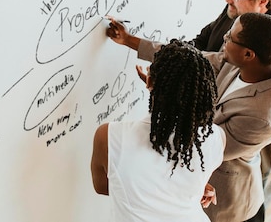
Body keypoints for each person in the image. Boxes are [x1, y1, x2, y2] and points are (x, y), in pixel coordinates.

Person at [106, 12, 271, 222]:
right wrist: (129, 40)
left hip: (227, 203)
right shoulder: (235, 61)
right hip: (195, 186)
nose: (224, 39)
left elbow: (200, 144)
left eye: (230, 38)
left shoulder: (263, 118)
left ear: (248, 54)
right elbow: (186, 60)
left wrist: (161, 92)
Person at [90, 39, 227, 222]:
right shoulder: (216, 137)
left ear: (149, 82)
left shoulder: (109, 136)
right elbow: (182, 177)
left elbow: (103, 186)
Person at [191, 0, 271, 188]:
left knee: (247, 190)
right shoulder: (234, 12)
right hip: (217, 131)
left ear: (262, 2)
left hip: (249, 142)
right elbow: (202, 41)